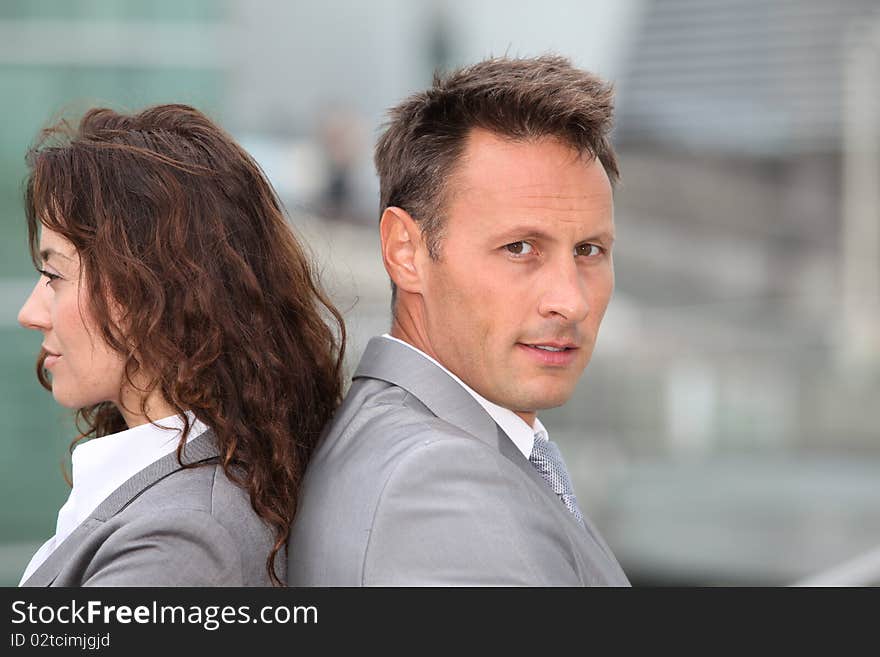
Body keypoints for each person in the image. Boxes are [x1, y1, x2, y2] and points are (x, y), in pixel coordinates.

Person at [288, 55, 630, 585]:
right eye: (520, 248)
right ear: (406, 251)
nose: (571, 301)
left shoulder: (442, 448)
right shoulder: (434, 486)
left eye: (589, 249)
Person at [17, 104, 344, 587]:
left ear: (150, 288)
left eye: (53, 275)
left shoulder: (179, 544)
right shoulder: (184, 497)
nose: (30, 312)